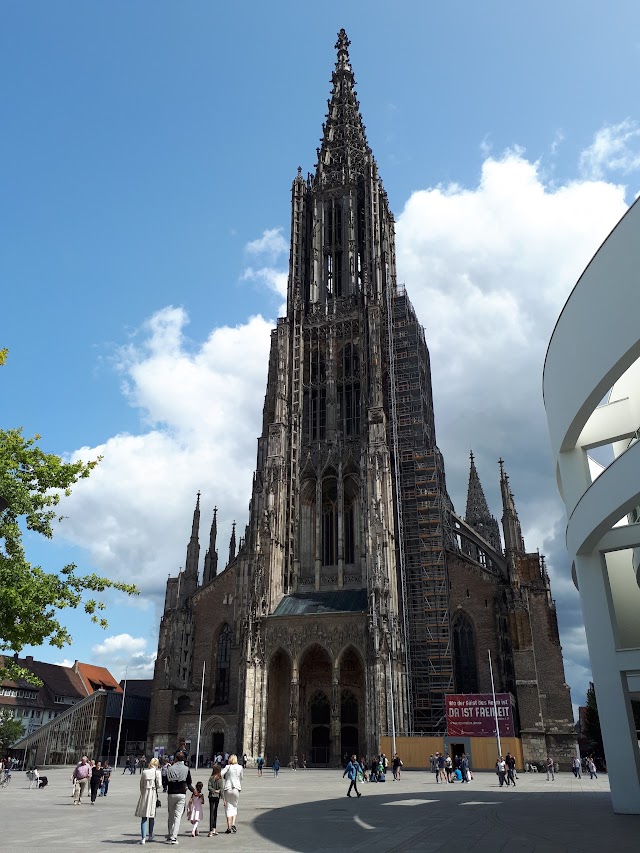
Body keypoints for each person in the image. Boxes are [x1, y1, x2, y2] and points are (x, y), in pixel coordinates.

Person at [165, 750, 195, 845]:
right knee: (178, 816)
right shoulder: (186, 769)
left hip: (171, 793)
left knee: (171, 815)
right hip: (181, 793)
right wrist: (194, 791)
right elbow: (189, 783)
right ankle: (174, 837)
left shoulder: (169, 768)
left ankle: (170, 835)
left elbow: (165, 782)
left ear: (176, 758)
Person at [135, 756, 162, 845]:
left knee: (144, 817)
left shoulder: (144, 772)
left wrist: (143, 792)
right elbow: (159, 785)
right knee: (151, 815)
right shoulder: (157, 772)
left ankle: (143, 838)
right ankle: (150, 834)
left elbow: (141, 784)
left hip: (144, 794)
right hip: (153, 794)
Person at [221, 753, 243, 834]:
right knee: (234, 806)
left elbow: (220, 774)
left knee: (228, 807)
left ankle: (229, 827)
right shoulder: (240, 767)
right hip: (236, 789)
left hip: (228, 788)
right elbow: (241, 777)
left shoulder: (228, 767)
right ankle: (233, 823)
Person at [207, 764, 223, 837]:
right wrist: (223, 798)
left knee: (211, 812)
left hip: (211, 796)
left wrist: (213, 790)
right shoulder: (220, 779)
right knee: (215, 812)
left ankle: (211, 830)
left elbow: (209, 787)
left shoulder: (211, 778)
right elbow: (221, 789)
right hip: (216, 797)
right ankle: (213, 829)